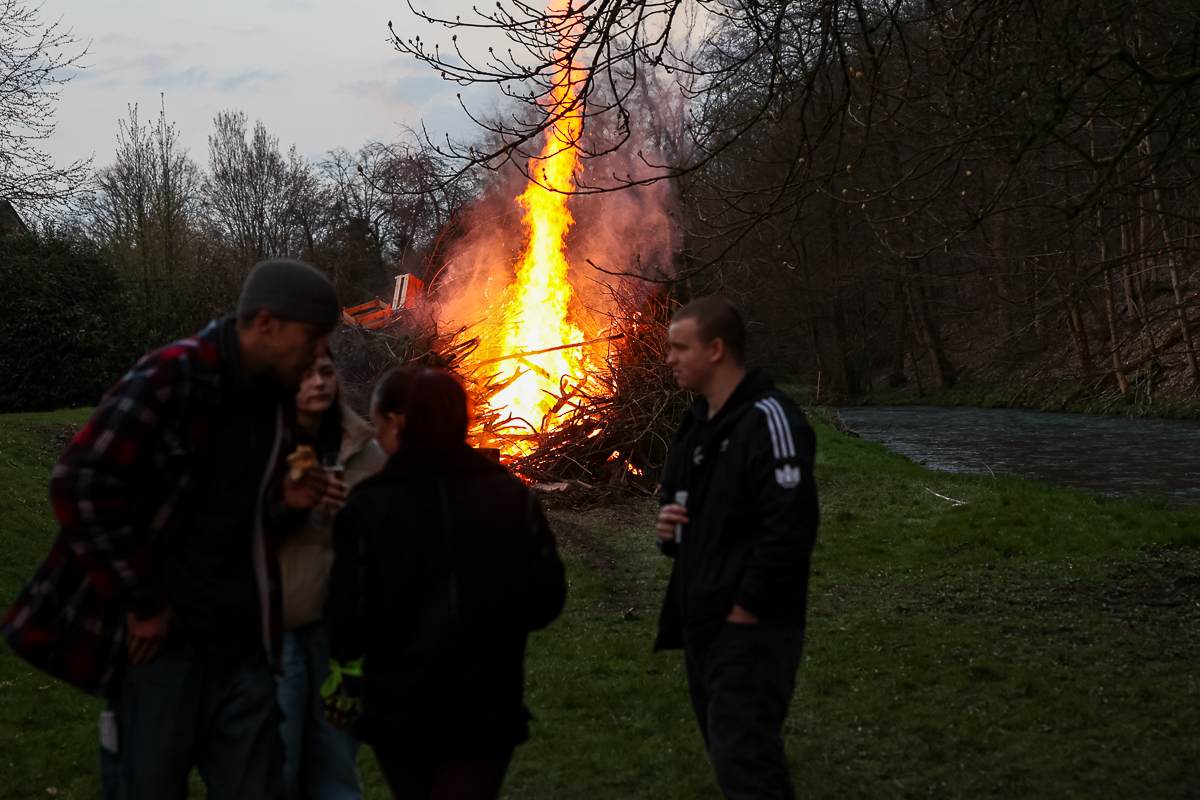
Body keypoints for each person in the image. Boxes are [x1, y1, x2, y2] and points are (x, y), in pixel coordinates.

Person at [1, 258, 346, 800]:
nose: (320, 354)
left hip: (246, 649)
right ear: (266, 324)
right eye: (313, 336)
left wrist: (288, 502)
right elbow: (80, 480)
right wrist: (142, 602)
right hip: (166, 652)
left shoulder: (277, 398)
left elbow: (243, 512)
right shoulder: (174, 374)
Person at [323, 366, 567, 800]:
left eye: (376, 423)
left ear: (396, 422)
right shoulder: (511, 497)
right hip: (485, 705)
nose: (376, 435)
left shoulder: (367, 506)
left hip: (397, 710)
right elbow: (545, 599)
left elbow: (346, 619)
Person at [654, 295, 819, 800]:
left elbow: (791, 525)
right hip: (702, 622)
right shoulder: (696, 424)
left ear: (718, 349)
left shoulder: (770, 419)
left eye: (680, 348)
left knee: (745, 763)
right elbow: (679, 506)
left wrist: (747, 608)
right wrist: (669, 527)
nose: (670, 359)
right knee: (734, 757)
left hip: (752, 628)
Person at [276, 345, 385, 800]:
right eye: (304, 374)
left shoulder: (366, 452)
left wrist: (351, 515)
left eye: (325, 372)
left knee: (335, 771)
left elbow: (389, 542)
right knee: (273, 768)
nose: (318, 382)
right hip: (273, 633)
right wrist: (286, 504)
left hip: (342, 636)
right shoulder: (258, 450)